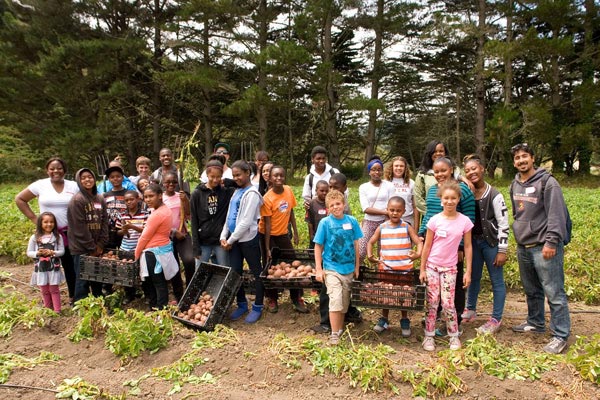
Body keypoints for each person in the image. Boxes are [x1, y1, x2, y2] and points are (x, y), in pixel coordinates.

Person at [509, 143, 571, 354]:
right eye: (517, 158)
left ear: (533, 158)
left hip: (543, 246)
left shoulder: (548, 183)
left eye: (524, 156)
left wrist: (551, 242)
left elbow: (556, 215)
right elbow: (518, 214)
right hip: (523, 245)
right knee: (532, 290)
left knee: (554, 292)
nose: (521, 161)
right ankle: (535, 322)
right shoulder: (514, 184)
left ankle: (560, 335)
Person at [418, 157, 475, 334]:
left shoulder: (463, 189)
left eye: (443, 170)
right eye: (436, 172)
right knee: (434, 287)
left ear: (451, 170)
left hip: (452, 247)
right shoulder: (433, 190)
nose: (440, 174)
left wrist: (459, 247)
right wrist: (421, 234)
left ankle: (453, 320)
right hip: (434, 246)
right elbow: (428, 215)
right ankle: (434, 318)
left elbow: (469, 218)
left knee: (454, 286)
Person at [15, 157, 79, 305]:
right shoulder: (40, 185)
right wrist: (35, 219)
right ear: (47, 170)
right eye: (52, 168)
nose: (56, 171)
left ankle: (73, 296)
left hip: (68, 233)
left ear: (65, 170)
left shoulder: (73, 186)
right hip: (47, 235)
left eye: (59, 168)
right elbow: (20, 199)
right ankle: (49, 300)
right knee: (47, 265)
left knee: (70, 266)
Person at [461, 154, 509, 334]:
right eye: (468, 171)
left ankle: (496, 318)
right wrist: (464, 179)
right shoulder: (467, 191)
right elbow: (455, 173)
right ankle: (470, 309)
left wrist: (502, 250)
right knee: (473, 277)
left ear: (482, 169)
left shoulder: (494, 194)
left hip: (491, 243)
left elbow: (503, 223)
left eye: (474, 168)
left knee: (497, 280)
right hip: (473, 242)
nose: (471, 172)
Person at [311, 172, 362, 334]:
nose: (335, 207)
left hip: (348, 268)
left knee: (344, 302)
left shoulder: (352, 221)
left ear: (344, 203)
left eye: (338, 204)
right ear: (327, 207)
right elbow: (318, 246)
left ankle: (338, 329)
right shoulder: (325, 223)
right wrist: (319, 269)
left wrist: (357, 266)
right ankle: (334, 334)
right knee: (335, 299)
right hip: (331, 267)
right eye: (332, 205)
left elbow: (356, 244)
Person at [367, 197, 423, 337]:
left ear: (404, 211)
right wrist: (369, 255)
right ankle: (384, 320)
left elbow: (419, 242)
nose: (394, 213)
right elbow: (371, 242)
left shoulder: (406, 227)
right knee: (386, 294)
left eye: (398, 211)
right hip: (386, 268)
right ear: (387, 210)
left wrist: (417, 254)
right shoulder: (382, 227)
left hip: (404, 269)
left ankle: (404, 320)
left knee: (403, 295)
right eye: (391, 210)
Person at [220, 160, 265, 324]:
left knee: (256, 272)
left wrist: (231, 240)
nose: (236, 178)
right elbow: (229, 215)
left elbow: (245, 222)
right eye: (234, 175)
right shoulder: (237, 191)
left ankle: (258, 306)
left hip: (247, 240)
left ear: (248, 173)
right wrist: (223, 236)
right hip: (234, 240)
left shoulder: (252, 193)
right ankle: (241, 304)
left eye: (239, 175)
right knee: (235, 272)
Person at [258, 165, 306, 314]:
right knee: (269, 266)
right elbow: (266, 225)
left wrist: (296, 232)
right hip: (268, 235)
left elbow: (291, 211)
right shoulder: (267, 198)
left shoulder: (288, 191)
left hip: (283, 234)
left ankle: (296, 297)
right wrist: (267, 249)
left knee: (293, 263)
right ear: (270, 178)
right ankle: (272, 298)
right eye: (275, 176)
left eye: (281, 176)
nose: (278, 178)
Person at [135, 184, 180, 310]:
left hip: (154, 253)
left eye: (151, 196)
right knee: (159, 283)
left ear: (160, 196)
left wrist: (136, 254)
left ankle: (159, 309)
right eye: (145, 197)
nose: (148, 199)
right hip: (161, 250)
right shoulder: (164, 210)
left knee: (157, 283)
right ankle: (157, 307)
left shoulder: (157, 214)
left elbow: (144, 237)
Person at [67, 168, 108, 302]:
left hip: (97, 246)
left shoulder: (99, 198)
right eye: (83, 178)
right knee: (82, 277)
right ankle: (81, 303)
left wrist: (101, 244)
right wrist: (92, 247)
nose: (87, 180)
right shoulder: (77, 200)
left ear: (94, 179)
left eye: (89, 177)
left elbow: (104, 221)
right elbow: (79, 228)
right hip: (81, 247)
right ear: (79, 181)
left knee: (96, 274)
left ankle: (97, 300)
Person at [191, 160, 234, 266]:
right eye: (212, 176)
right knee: (200, 273)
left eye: (218, 177)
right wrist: (195, 245)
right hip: (203, 241)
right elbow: (194, 220)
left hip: (220, 240)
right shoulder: (197, 194)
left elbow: (242, 185)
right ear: (207, 174)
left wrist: (230, 182)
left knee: (224, 270)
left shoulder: (226, 192)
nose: (215, 180)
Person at [26, 212, 65, 313]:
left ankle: (57, 310)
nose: (49, 224)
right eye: (46, 222)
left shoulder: (57, 237)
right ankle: (48, 309)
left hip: (53, 268)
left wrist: (53, 252)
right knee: (44, 290)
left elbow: (62, 251)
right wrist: (37, 253)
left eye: (51, 222)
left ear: (55, 223)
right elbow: (29, 252)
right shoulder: (34, 238)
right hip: (40, 268)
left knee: (54, 289)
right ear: (40, 223)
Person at [162, 171, 194, 291]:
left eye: (174, 182)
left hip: (183, 234)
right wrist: (174, 231)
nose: (171, 184)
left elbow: (189, 213)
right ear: (163, 183)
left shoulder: (181, 196)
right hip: (167, 237)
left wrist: (185, 201)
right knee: (173, 265)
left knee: (189, 260)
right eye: (168, 182)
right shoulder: (161, 198)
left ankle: (190, 288)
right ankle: (178, 292)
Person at [358, 156, 395, 260]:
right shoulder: (363, 187)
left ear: (382, 171)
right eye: (373, 170)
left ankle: (380, 273)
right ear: (369, 172)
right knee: (360, 252)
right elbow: (366, 208)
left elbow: (391, 204)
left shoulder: (389, 186)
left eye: (379, 170)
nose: (376, 172)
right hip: (369, 222)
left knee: (383, 253)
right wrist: (385, 212)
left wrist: (388, 216)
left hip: (385, 222)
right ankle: (357, 272)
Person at [117, 190, 148, 304]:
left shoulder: (144, 213)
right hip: (125, 247)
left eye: (132, 199)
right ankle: (129, 295)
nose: (129, 202)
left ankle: (146, 294)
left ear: (138, 199)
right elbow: (118, 232)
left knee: (142, 272)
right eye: (126, 200)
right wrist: (124, 230)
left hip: (139, 248)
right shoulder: (122, 215)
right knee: (126, 272)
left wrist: (132, 226)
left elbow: (146, 230)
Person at [301, 146, 341, 210]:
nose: (321, 161)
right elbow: (306, 197)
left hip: (334, 209)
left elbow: (343, 191)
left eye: (323, 158)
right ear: (312, 159)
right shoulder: (309, 177)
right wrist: (306, 204)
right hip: (316, 210)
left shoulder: (334, 173)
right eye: (318, 158)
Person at [384, 156, 419, 229]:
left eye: (401, 166)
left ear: (405, 168)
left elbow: (415, 206)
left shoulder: (411, 183)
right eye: (396, 166)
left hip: (408, 219)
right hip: (390, 219)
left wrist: (416, 229)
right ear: (392, 167)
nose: (399, 168)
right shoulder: (385, 183)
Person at [306, 180, 329, 249]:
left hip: (328, 235)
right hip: (316, 234)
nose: (324, 193)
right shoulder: (311, 204)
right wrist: (311, 235)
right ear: (316, 190)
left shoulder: (330, 203)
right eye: (322, 191)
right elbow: (309, 221)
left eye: (326, 191)